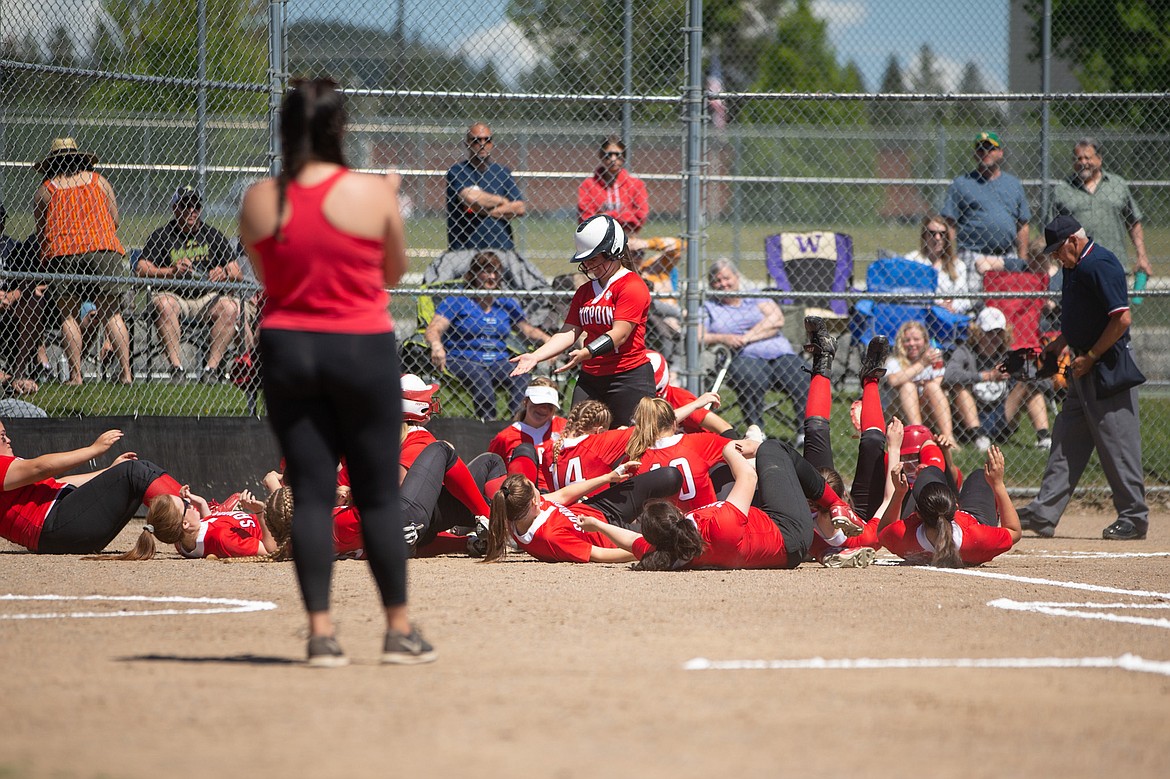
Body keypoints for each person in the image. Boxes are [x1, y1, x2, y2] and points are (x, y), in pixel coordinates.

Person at [238, 77, 435, 667]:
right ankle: (398, 630)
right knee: (375, 494)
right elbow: (392, 273)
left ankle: (321, 634)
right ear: (339, 128)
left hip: (289, 349)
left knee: (313, 493)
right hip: (359, 347)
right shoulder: (373, 194)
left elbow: (271, 277)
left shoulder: (258, 200)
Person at [1016, 216, 1148, 541]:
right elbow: (1080, 316)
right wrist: (1062, 343)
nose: (1056, 258)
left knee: (1118, 444)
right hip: (1081, 367)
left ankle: (1134, 516)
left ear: (1074, 241)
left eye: (1059, 250)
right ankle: (1044, 512)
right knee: (1066, 441)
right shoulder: (1074, 268)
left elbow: (1121, 319)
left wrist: (1091, 356)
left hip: (1106, 367)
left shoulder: (1100, 264)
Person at [582, 439, 842, 570]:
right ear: (675, 512)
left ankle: (824, 549)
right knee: (773, 449)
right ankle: (838, 504)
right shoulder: (718, 527)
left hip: (773, 537)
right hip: (789, 534)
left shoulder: (669, 551)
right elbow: (748, 477)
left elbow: (630, 540)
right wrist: (730, 450)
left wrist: (597, 525)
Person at [510, 214, 654, 427]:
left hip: (628, 377)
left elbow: (620, 334)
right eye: (585, 260)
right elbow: (569, 331)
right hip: (591, 377)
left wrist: (587, 352)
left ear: (613, 251)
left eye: (594, 258)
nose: (588, 265)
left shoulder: (631, 285)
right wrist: (535, 356)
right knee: (577, 436)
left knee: (630, 442)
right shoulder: (585, 291)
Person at [33, 137, 132, 385]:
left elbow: (41, 230)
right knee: (111, 313)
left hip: (64, 251)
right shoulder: (99, 182)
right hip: (103, 248)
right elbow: (115, 221)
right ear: (79, 159)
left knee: (68, 315)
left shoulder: (47, 190)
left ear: (52, 164)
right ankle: (126, 374)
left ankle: (76, 376)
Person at [0, 423, 184, 554]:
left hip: (61, 523)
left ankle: (201, 517)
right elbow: (40, 468)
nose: (8, 440)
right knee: (133, 472)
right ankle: (196, 530)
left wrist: (109, 472)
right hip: (55, 529)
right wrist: (94, 450)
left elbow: (60, 483)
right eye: (1, 437)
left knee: (140, 468)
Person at [135, 186, 246, 383]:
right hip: (174, 295)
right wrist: (171, 272)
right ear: (175, 208)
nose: (191, 210)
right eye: (185, 205)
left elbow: (237, 273)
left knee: (230, 307)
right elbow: (141, 268)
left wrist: (223, 273)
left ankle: (210, 370)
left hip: (206, 299)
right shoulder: (162, 235)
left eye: (195, 206)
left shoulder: (213, 235)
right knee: (164, 305)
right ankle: (177, 369)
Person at [424, 250, 550, 420]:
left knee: (520, 373)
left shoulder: (505, 302)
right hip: (461, 359)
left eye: (496, 272)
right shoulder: (458, 300)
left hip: (497, 361)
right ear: (474, 274)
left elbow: (527, 330)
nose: (492, 276)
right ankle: (488, 424)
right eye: (486, 271)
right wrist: (437, 346)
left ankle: (518, 423)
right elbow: (434, 328)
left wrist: (548, 342)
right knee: (479, 375)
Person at [482, 463, 682, 564]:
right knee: (673, 534)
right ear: (534, 503)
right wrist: (644, 550)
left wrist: (606, 478)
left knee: (670, 476)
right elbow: (599, 554)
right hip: (609, 535)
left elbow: (562, 495)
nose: (540, 493)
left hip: (598, 509)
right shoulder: (549, 537)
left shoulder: (519, 510)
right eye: (535, 490)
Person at [701, 258, 810, 441]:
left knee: (803, 376)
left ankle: (805, 432)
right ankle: (757, 433)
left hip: (779, 352)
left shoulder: (754, 295)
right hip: (742, 356)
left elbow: (777, 319)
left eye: (727, 278)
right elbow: (700, 335)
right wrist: (724, 338)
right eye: (717, 281)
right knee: (751, 378)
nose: (723, 284)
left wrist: (747, 337)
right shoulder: (709, 306)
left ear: (737, 277)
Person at [878, 435, 1021, 567]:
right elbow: (1014, 531)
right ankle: (942, 467)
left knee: (930, 472)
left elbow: (882, 531)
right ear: (955, 509)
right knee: (979, 475)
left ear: (918, 514)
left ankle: (935, 466)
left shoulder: (904, 536)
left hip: (939, 519)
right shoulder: (978, 538)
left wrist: (899, 494)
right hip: (975, 519)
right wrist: (998, 485)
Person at [945, 306, 1051, 451]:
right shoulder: (965, 352)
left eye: (998, 333)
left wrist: (1017, 372)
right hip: (973, 416)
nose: (994, 338)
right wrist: (987, 376)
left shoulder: (1009, 355)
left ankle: (1044, 438)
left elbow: (1045, 382)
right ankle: (979, 437)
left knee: (1029, 385)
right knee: (959, 387)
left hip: (1003, 415)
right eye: (989, 333)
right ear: (978, 333)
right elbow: (949, 375)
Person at [941, 131, 1032, 291]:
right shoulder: (962, 183)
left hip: (1006, 256)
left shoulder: (1013, 184)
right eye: (981, 149)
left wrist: (1022, 259)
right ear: (975, 154)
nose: (985, 153)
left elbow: (1023, 224)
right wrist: (951, 257)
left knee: (1006, 303)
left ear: (1000, 153)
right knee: (970, 303)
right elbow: (950, 224)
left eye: (990, 149)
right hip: (972, 254)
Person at [1052, 137, 1151, 277]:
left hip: (1114, 266)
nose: (1083, 162)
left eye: (1087, 158)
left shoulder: (1118, 185)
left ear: (1099, 159)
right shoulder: (1062, 189)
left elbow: (1133, 222)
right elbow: (1051, 231)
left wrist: (1142, 256)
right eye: (1078, 158)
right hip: (1077, 269)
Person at [445, 122, 526, 258]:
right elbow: (471, 199)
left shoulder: (502, 172)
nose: (482, 144)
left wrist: (482, 210)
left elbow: (520, 208)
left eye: (487, 140)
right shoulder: (457, 171)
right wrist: (502, 201)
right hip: (466, 250)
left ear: (492, 144)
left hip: (502, 249)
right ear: (467, 144)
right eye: (476, 140)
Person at [884, 319, 956, 445]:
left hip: (926, 409)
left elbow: (940, 381)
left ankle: (948, 438)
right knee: (907, 386)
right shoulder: (894, 361)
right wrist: (922, 364)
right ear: (901, 343)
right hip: (897, 414)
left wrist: (927, 382)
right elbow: (893, 380)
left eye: (916, 339)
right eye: (907, 340)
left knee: (932, 387)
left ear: (925, 341)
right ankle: (918, 436)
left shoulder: (933, 358)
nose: (912, 344)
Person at [576, 136, 649, 236]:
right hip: (597, 238)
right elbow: (585, 219)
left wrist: (606, 217)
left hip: (627, 238)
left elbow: (640, 216)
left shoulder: (636, 185)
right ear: (601, 156)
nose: (613, 159)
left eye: (618, 155)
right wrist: (624, 218)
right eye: (608, 155)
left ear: (623, 157)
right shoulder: (588, 185)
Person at [904, 213, 975, 314]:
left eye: (942, 234)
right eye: (932, 233)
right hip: (919, 314)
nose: (937, 238)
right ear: (925, 236)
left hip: (947, 315)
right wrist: (934, 305)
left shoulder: (958, 265)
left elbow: (964, 300)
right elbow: (906, 292)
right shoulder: (911, 260)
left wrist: (951, 307)